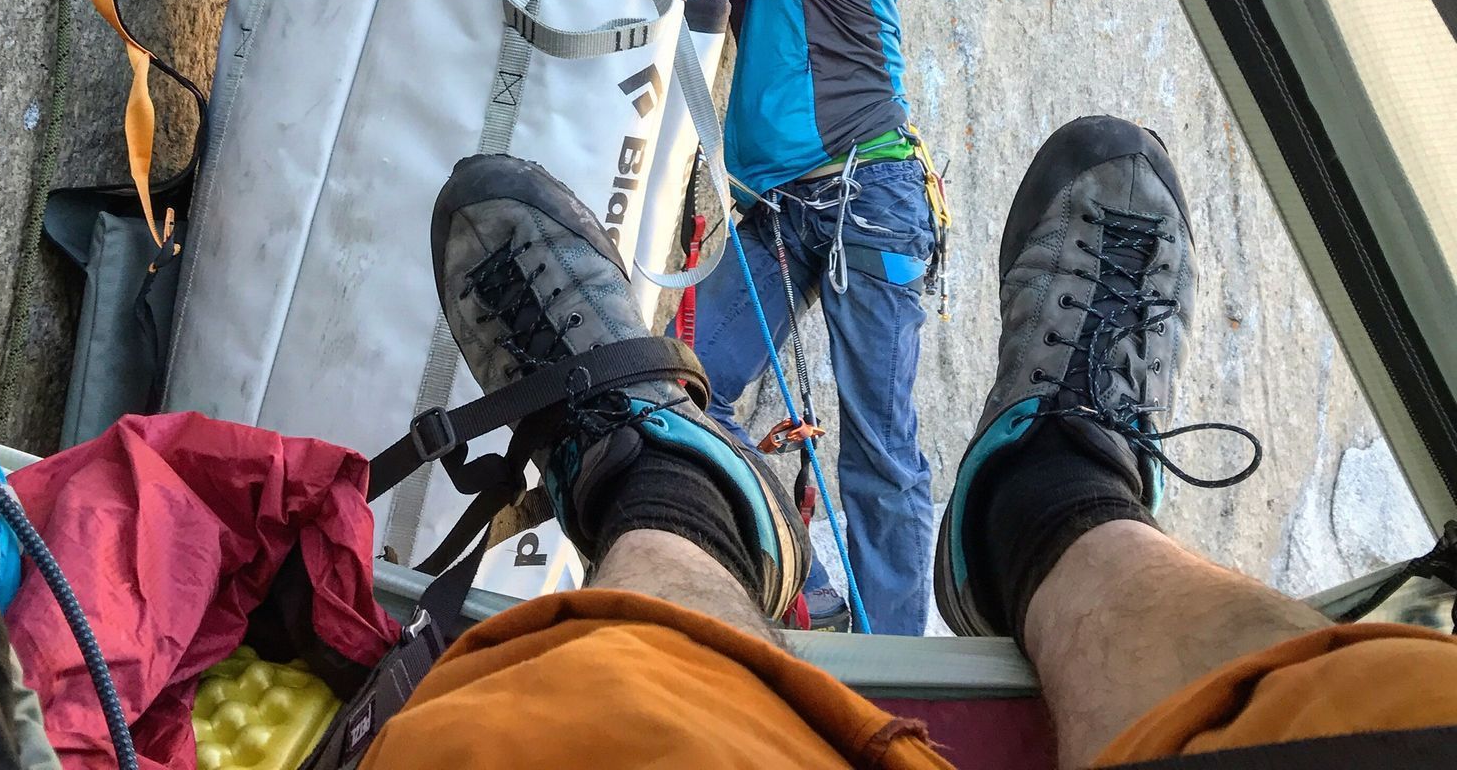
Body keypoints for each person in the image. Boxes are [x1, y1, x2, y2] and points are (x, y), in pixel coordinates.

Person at [365, 118, 1457, 770]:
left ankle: (667, 493)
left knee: (596, 738)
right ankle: (1052, 500)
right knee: (1368, 720)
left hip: (849, 206)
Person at [654, 0, 940, 634]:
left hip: (865, 199)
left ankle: (903, 668)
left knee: (881, 452)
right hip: (794, 205)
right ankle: (813, 586)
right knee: (690, 385)